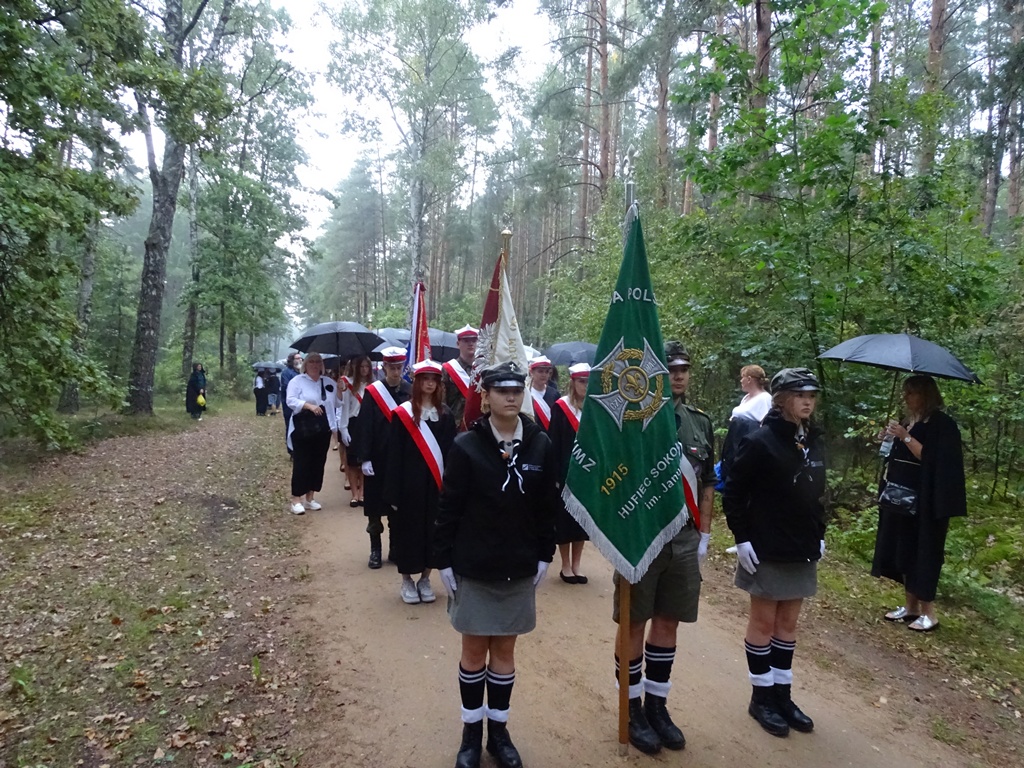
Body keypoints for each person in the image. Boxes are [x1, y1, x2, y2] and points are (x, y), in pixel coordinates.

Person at [434, 360, 559, 768]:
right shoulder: (466, 446)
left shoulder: (540, 444)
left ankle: (499, 734)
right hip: (475, 564)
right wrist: (443, 559)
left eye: (516, 390)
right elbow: (449, 506)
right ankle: (471, 735)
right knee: (474, 653)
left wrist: (545, 553)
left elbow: (547, 506)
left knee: (505, 650)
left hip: (518, 564)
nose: (510, 397)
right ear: (486, 396)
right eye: (502, 390)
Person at [611, 341, 714, 755]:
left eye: (684, 369)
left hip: (685, 537)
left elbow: (708, 483)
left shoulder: (700, 422)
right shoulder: (633, 421)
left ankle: (657, 705)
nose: (679, 375)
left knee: (669, 621)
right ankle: (631, 707)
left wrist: (705, 534)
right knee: (634, 622)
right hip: (643, 536)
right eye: (671, 369)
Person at [722, 367, 827, 738]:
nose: (807, 402)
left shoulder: (813, 440)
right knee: (764, 623)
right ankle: (761, 697)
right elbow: (734, 492)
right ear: (782, 399)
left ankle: (783, 695)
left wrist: (819, 533)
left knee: (788, 625)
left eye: (811, 396)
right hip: (766, 544)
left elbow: (817, 493)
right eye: (800, 395)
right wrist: (742, 538)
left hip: (801, 545)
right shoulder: (759, 440)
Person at [872, 374, 967, 632]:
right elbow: (896, 454)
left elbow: (932, 458)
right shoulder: (908, 421)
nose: (906, 398)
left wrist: (904, 436)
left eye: (911, 393)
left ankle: (929, 613)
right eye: (904, 392)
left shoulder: (941, 424)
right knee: (903, 550)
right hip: (900, 498)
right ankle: (911, 607)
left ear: (925, 395)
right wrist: (888, 438)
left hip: (927, 501)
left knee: (924, 551)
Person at [385, 360, 458, 604]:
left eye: (434, 379)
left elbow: (450, 453)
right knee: (408, 531)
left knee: (433, 531)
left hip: (436, 485)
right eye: (425, 378)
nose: (429, 383)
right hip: (409, 486)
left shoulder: (445, 415)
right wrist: (393, 492)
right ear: (416, 382)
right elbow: (394, 454)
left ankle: (425, 578)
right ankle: (407, 579)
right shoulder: (403, 414)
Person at [352, 347, 411, 568]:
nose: (395, 372)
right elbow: (365, 425)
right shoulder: (374, 393)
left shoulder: (409, 391)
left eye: (399, 367)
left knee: (398, 506)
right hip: (378, 458)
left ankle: (395, 548)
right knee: (375, 507)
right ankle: (375, 550)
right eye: (391, 367)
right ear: (384, 367)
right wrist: (364, 458)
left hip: (401, 459)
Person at [549, 362, 591, 584]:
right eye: (581, 381)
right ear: (573, 383)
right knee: (565, 520)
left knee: (582, 520)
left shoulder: (593, 409)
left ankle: (577, 565)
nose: (585, 385)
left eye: (588, 381)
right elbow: (554, 442)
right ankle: (565, 565)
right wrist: (555, 475)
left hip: (587, 473)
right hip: (566, 473)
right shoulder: (561, 407)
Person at [285, 352, 340, 515]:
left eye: (318, 362)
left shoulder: (328, 382)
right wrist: (308, 405)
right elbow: (290, 400)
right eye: (312, 362)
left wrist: (340, 389)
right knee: (302, 462)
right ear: (306, 364)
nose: (315, 365)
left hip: (323, 428)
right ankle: (296, 499)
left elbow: (337, 403)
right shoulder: (297, 381)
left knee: (318, 462)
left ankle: (310, 497)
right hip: (303, 427)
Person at [718, 365, 772, 490]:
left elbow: (765, 425)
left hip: (749, 444)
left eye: (742, 377)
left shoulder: (765, 399)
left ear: (749, 379)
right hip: (735, 442)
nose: (741, 381)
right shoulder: (746, 398)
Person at [341, 356, 373, 508]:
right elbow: (345, 407)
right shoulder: (349, 385)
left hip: (368, 425)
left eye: (367, 366)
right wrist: (343, 428)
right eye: (361, 366)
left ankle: (363, 493)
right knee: (353, 462)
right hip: (353, 424)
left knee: (365, 460)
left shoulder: (374, 385)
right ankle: (354, 494)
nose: (364, 369)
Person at [443, 324, 478, 430]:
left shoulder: (483, 369)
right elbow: (442, 402)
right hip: (455, 426)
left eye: (474, 340)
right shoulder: (447, 369)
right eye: (466, 341)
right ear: (458, 344)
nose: (470, 344)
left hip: (478, 425)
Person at [526, 356, 559, 430]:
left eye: (547, 372)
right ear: (531, 372)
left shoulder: (554, 394)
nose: (544, 375)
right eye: (540, 371)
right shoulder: (526, 393)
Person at [281, 352, 303, 453]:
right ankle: (291, 451)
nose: (299, 360)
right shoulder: (286, 373)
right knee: (290, 426)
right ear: (292, 360)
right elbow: (286, 387)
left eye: (301, 358)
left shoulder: (303, 373)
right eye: (297, 358)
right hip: (289, 406)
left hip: (301, 405)